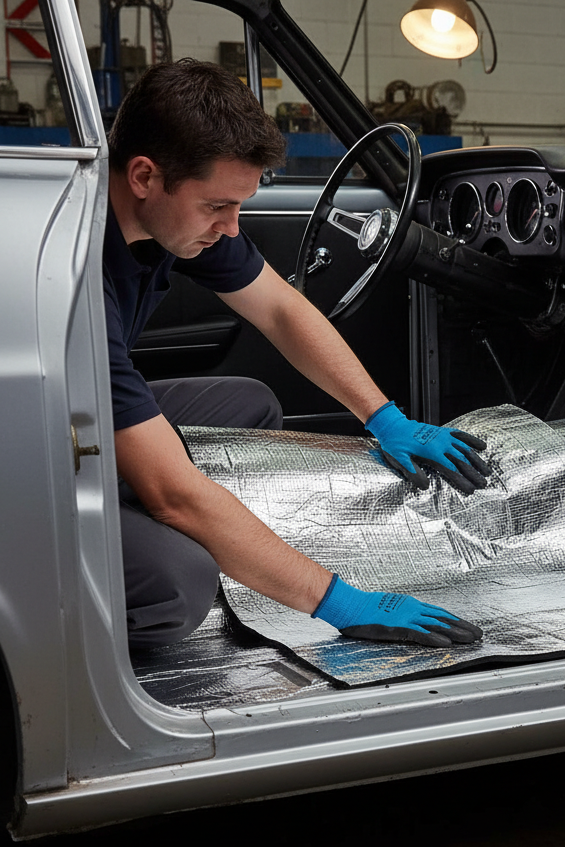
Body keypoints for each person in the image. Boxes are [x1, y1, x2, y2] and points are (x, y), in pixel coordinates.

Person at [105, 58, 488, 651]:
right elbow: (174, 497)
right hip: (30, 460)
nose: (231, 228)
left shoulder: (169, 220)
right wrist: (339, 602)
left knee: (248, 405)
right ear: (144, 177)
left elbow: (282, 310)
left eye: (239, 206)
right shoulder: (75, 279)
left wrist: (385, 419)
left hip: (83, 411)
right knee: (180, 584)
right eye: (217, 207)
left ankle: (198, 526)